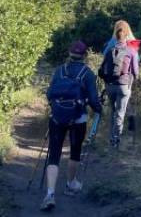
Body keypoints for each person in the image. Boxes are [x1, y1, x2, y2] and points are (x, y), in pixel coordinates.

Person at [40, 41, 102, 212]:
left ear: (69, 53)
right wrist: (99, 109)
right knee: (75, 151)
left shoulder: (60, 70)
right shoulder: (87, 74)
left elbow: (49, 94)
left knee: (54, 154)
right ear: (85, 55)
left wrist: (55, 107)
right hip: (78, 118)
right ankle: (70, 184)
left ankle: (50, 194)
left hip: (57, 117)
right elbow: (94, 100)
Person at [99, 21, 139, 148]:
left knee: (113, 111)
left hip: (110, 85)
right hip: (123, 84)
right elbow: (135, 71)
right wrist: (132, 82)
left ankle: (112, 137)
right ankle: (116, 139)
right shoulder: (131, 48)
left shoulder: (109, 47)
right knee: (120, 112)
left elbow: (103, 66)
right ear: (127, 32)